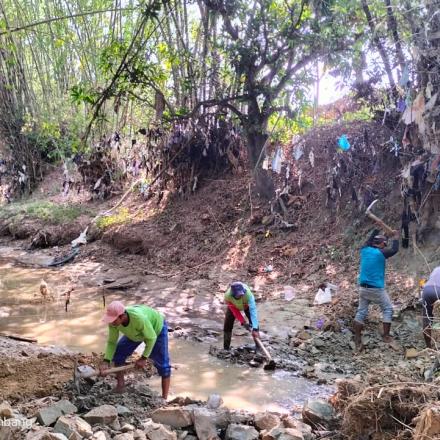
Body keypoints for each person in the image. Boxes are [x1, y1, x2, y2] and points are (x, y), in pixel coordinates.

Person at [100, 301, 171, 399]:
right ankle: (120, 386)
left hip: (156, 329)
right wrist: (106, 361)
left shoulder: (138, 318)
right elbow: (112, 342)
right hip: (136, 333)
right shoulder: (113, 323)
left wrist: (143, 358)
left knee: (163, 364)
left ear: (122, 316)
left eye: (113, 320)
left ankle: (164, 399)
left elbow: (151, 337)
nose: (111, 322)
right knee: (119, 353)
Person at [353, 229, 399, 351]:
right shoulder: (381, 253)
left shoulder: (364, 250)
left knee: (361, 312)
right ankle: (386, 336)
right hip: (376, 289)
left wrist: (376, 230)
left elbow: (369, 241)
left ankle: (357, 339)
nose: (385, 246)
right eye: (385, 243)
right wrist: (396, 237)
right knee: (388, 309)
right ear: (382, 244)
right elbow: (394, 250)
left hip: (363, 289)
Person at [223, 281, 260, 350]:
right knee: (227, 325)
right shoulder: (228, 296)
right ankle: (226, 348)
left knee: (255, 324)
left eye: (242, 294)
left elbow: (253, 311)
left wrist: (254, 328)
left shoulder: (248, 294)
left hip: (246, 305)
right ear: (233, 294)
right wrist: (243, 322)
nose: (241, 295)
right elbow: (235, 311)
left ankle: (258, 347)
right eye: (239, 295)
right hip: (234, 306)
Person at [421, 266, 440, 348]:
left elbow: (426, 282)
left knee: (427, 319)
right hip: (439, 290)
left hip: (427, 290)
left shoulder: (436, 268)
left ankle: (429, 347)